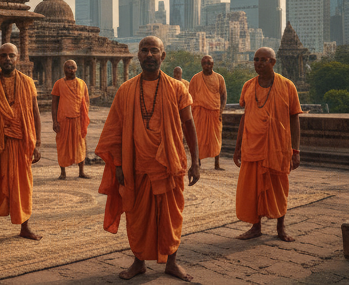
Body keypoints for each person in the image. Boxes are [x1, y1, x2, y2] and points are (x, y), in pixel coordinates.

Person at [96, 36, 201, 282]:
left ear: (163, 56)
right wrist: (119, 165)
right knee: (137, 216)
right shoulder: (126, 90)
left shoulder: (177, 88)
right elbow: (115, 132)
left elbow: (189, 124)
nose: (150, 54)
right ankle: (139, 262)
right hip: (135, 165)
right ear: (139, 56)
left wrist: (195, 161)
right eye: (145, 50)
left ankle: (172, 262)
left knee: (171, 216)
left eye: (155, 50)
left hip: (169, 164)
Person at [0, 43, 42, 243]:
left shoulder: (28, 83)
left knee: (22, 183)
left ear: (17, 58)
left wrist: (38, 143)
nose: (7, 59)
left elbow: (35, 113)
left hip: (21, 141)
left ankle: (25, 227)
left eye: (11, 55)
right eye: (3, 55)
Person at [234, 47, 302, 242]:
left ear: (273, 62)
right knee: (252, 189)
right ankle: (256, 227)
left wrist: (295, 150)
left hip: (278, 147)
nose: (259, 63)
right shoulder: (248, 86)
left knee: (279, 189)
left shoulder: (288, 86)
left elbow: (294, 119)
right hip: (252, 145)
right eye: (256, 59)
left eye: (264, 60)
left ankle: (281, 227)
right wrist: (237, 147)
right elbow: (245, 117)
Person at [52, 60, 90, 180]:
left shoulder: (82, 83)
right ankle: (63, 172)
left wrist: (84, 117)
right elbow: (54, 104)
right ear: (64, 69)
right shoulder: (58, 84)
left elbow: (86, 102)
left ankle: (81, 171)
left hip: (78, 120)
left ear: (76, 69)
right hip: (63, 119)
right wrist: (55, 121)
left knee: (81, 144)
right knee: (62, 145)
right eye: (69, 68)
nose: (71, 70)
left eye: (73, 67)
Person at [190, 55, 228, 171]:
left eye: (209, 63)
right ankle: (198, 162)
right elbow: (189, 97)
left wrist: (221, 110)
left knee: (216, 138)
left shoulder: (219, 78)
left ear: (213, 64)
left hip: (215, 112)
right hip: (199, 112)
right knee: (199, 137)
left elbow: (223, 95)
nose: (207, 65)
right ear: (202, 64)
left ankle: (217, 164)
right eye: (205, 63)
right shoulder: (195, 79)